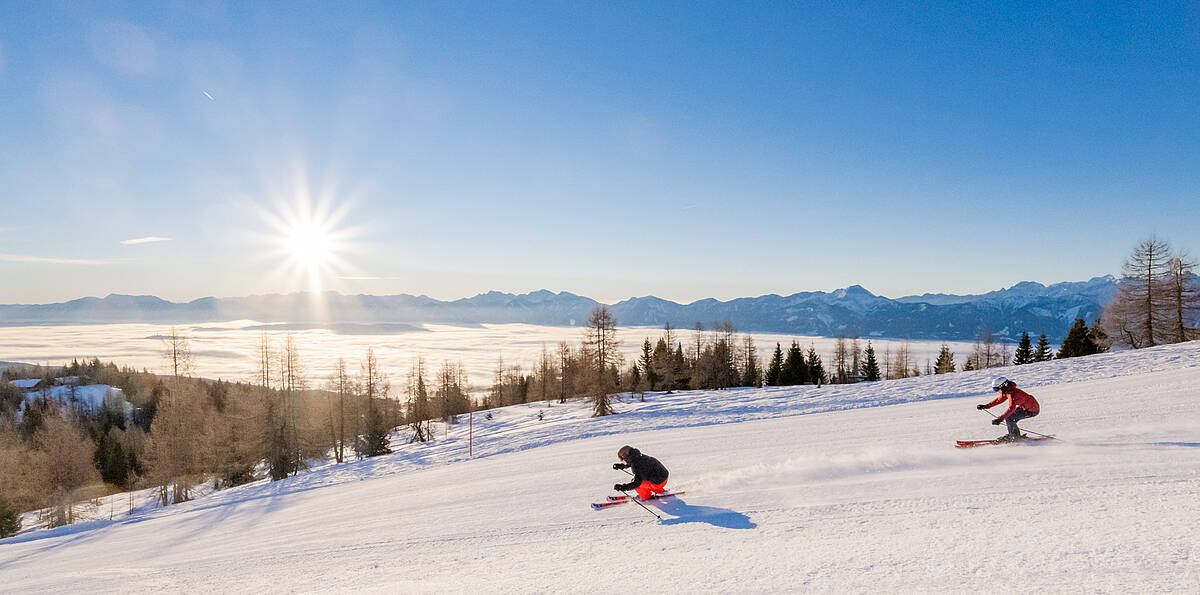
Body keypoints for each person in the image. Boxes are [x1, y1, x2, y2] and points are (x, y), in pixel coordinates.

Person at [977, 376, 1040, 442]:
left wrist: (1000, 419)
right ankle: (1014, 435)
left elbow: (1011, 408)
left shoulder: (1012, 394)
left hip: (1032, 410)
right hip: (1024, 407)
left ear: (1003, 386)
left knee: (1010, 418)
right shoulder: (1008, 391)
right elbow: (999, 400)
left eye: (996, 389)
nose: (997, 391)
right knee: (1010, 418)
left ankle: (1015, 437)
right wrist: (987, 406)